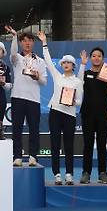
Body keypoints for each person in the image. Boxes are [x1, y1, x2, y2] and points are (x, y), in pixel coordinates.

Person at [38, 31, 83, 185]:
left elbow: (79, 101)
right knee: (55, 145)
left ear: (73, 66)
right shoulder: (57, 76)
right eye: (64, 63)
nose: (65, 65)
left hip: (70, 115)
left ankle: (69, 174)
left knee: (69, 146)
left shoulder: (78, 82)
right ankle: (57, 174)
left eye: (68, 63)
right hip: (55, 113)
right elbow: (48, 61)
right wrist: (44, 43)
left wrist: (72, 103)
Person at [5, 25, 48, 167]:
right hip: (17, 97)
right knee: (16, 128)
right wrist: (14, 37)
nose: (27, 43)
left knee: (34, 129)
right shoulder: (17, 58)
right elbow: (12, 53)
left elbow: (44, 82)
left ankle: (33, 156)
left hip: (33, 99)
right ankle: (17, 156)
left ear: (33, 43)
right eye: (24, 41)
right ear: (21, 43)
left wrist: (37, 77)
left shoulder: (40, 61)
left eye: (30, 40)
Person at [78, 47, 107, 184]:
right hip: (87, 114)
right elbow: (78, 82)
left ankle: (102, 173)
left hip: (103, 114)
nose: (96, 58)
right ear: (90, 58)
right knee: (87, 144)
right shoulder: (85, 73)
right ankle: (86, 172)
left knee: (102, 145)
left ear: (103, 59)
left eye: (99, 56)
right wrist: (82, 63)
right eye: (94, 56)